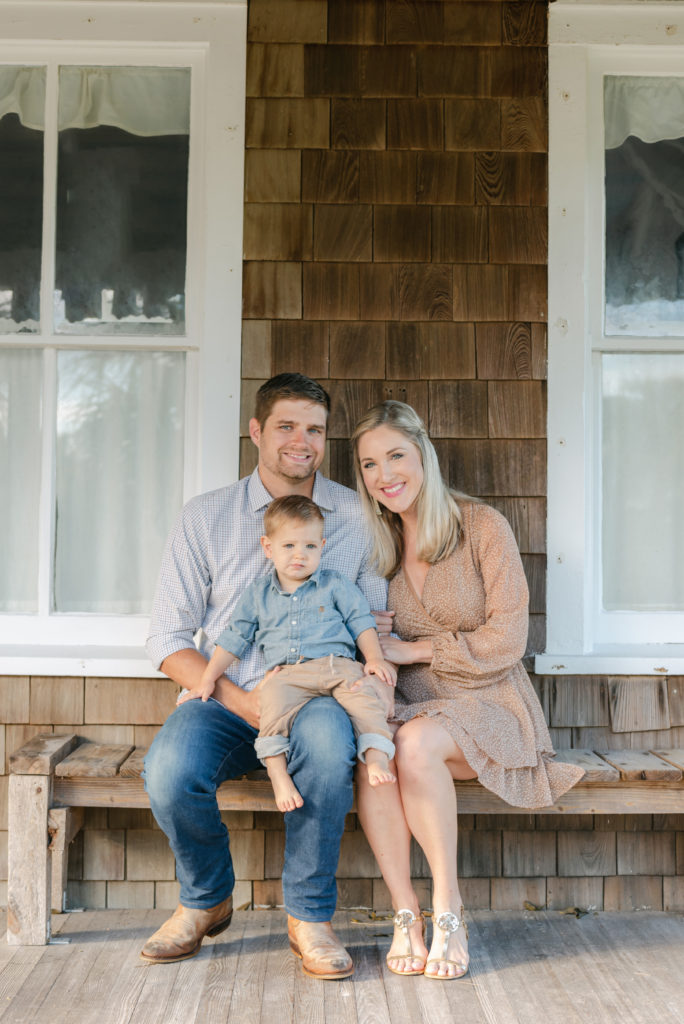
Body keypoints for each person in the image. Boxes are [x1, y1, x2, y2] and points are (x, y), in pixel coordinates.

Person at [142, 373, 390, 980]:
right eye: (285, 425)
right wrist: (243, 700)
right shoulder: (206, 517)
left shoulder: (357, 518)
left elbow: (372, 618)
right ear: (256, 430)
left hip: (319, 696)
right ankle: (205, 899)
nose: (300, 441)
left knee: (332, 748)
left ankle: (309, 917)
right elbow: (167, 638)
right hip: (224, 699)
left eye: (314, 429)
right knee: (171, 773)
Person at [351, 400, 585, 981]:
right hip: (412, 705)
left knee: (415, 743)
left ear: (423, 454)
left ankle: (448, 906)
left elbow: (509, 635)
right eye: (370, 464)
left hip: (492, 702)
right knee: (375, 748)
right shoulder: (376, 548)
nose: (385, 474)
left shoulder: (481, 526)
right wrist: (373, 641)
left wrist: (413, 649)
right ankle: (407, 911)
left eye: (396, 456)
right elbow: (361, 634)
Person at [180, 494, 397, 811]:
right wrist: (208, 678)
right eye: (289, 546)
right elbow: (234, 638)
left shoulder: (335, 585)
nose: (300, 555)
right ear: (268, 548)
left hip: (337, 667)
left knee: (365, 699)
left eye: (310, 546)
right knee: (272, 712)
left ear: (322, 547)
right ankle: (279, 775)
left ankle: (376, 760)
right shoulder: (258, 594)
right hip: (286, 675)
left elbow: (361, 621)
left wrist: (374, 658)